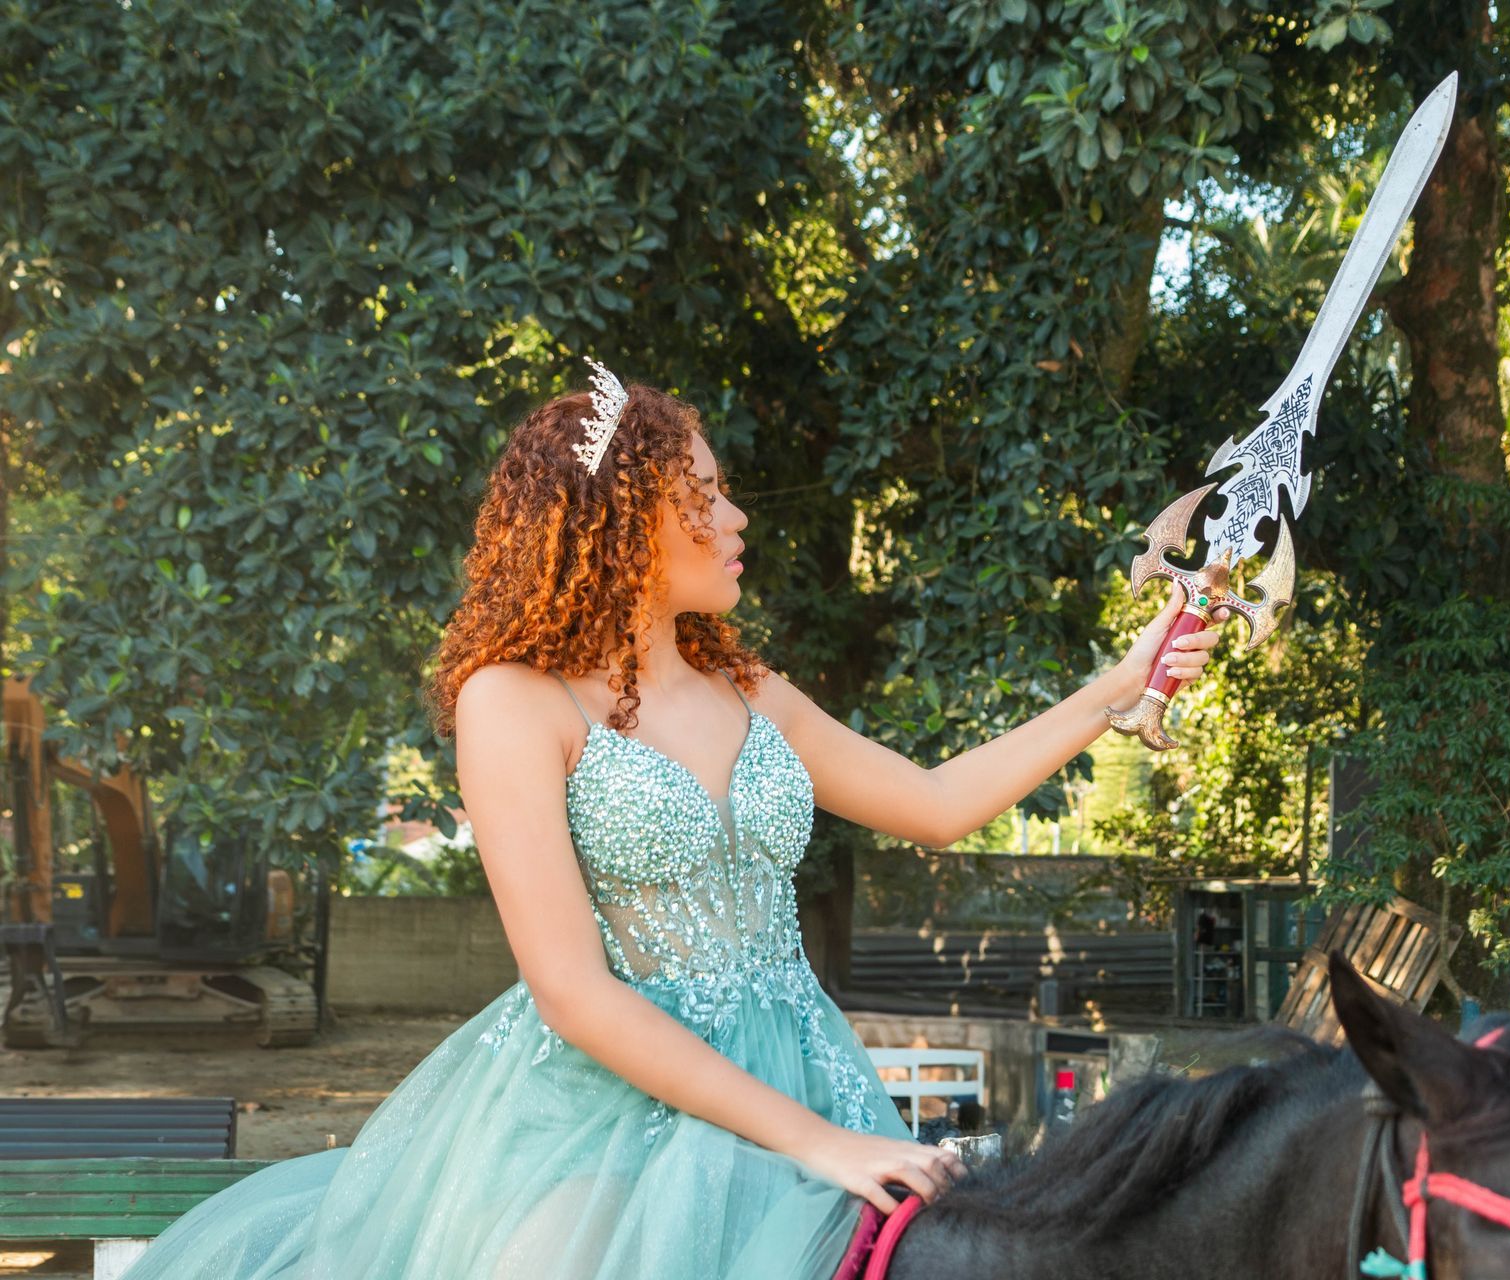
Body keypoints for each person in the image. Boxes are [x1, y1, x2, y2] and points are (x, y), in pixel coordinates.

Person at [124, 361, 1224, 1279]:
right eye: (705, 496)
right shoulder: (514, 699)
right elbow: (572, 989)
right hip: (597, 1108)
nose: (739, 516)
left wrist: (1110, 690)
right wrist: (819, 1143)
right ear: (619, 522)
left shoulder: (748, 684)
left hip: (802, 1067)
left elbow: (935, 803)